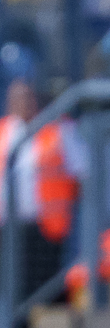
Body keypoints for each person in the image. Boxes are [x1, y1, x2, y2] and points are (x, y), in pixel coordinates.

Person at [0, 79, 86, 299]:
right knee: (10, 287)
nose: (22, 103)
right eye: (16, 99)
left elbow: (82, 174)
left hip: (48, 227)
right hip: (7, 226)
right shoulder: (3, 131)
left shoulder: (59, 128)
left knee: (46, 288)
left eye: (26, 97)